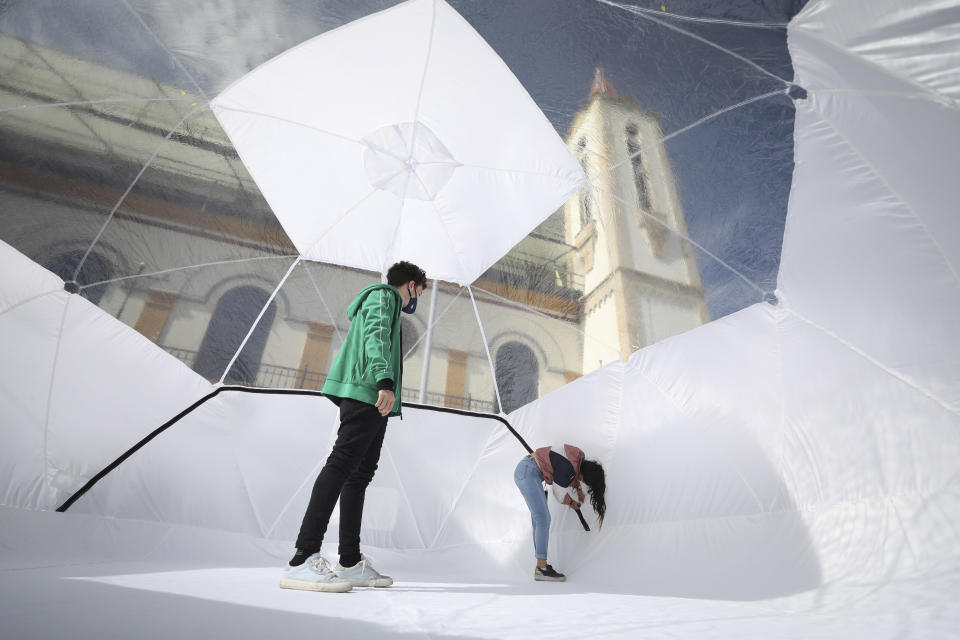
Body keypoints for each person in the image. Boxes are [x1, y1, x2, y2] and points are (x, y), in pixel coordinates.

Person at [280, 261, 427, 593]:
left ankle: (348, 562)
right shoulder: (385, 296)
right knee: (341, 465)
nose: (417, 299)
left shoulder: (385, 300)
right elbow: (375, 335)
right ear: (412, 285)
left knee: (358, 475)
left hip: (373, 397)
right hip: (368, 391)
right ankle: (302, 558)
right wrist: (385, 381)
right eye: (419, 292)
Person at [513, 443, 606, 581]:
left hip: (527, 469)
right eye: (584, 481)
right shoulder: (569, 468)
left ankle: (541, 565)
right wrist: (571, 502)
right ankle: (542, 568)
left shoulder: (577, 457)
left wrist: (578, 489)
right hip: (528, 472)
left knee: (538, 519)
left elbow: (568, 473)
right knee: (543, 519)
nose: (583, 482)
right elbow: (558, 493)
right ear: (583, 475)